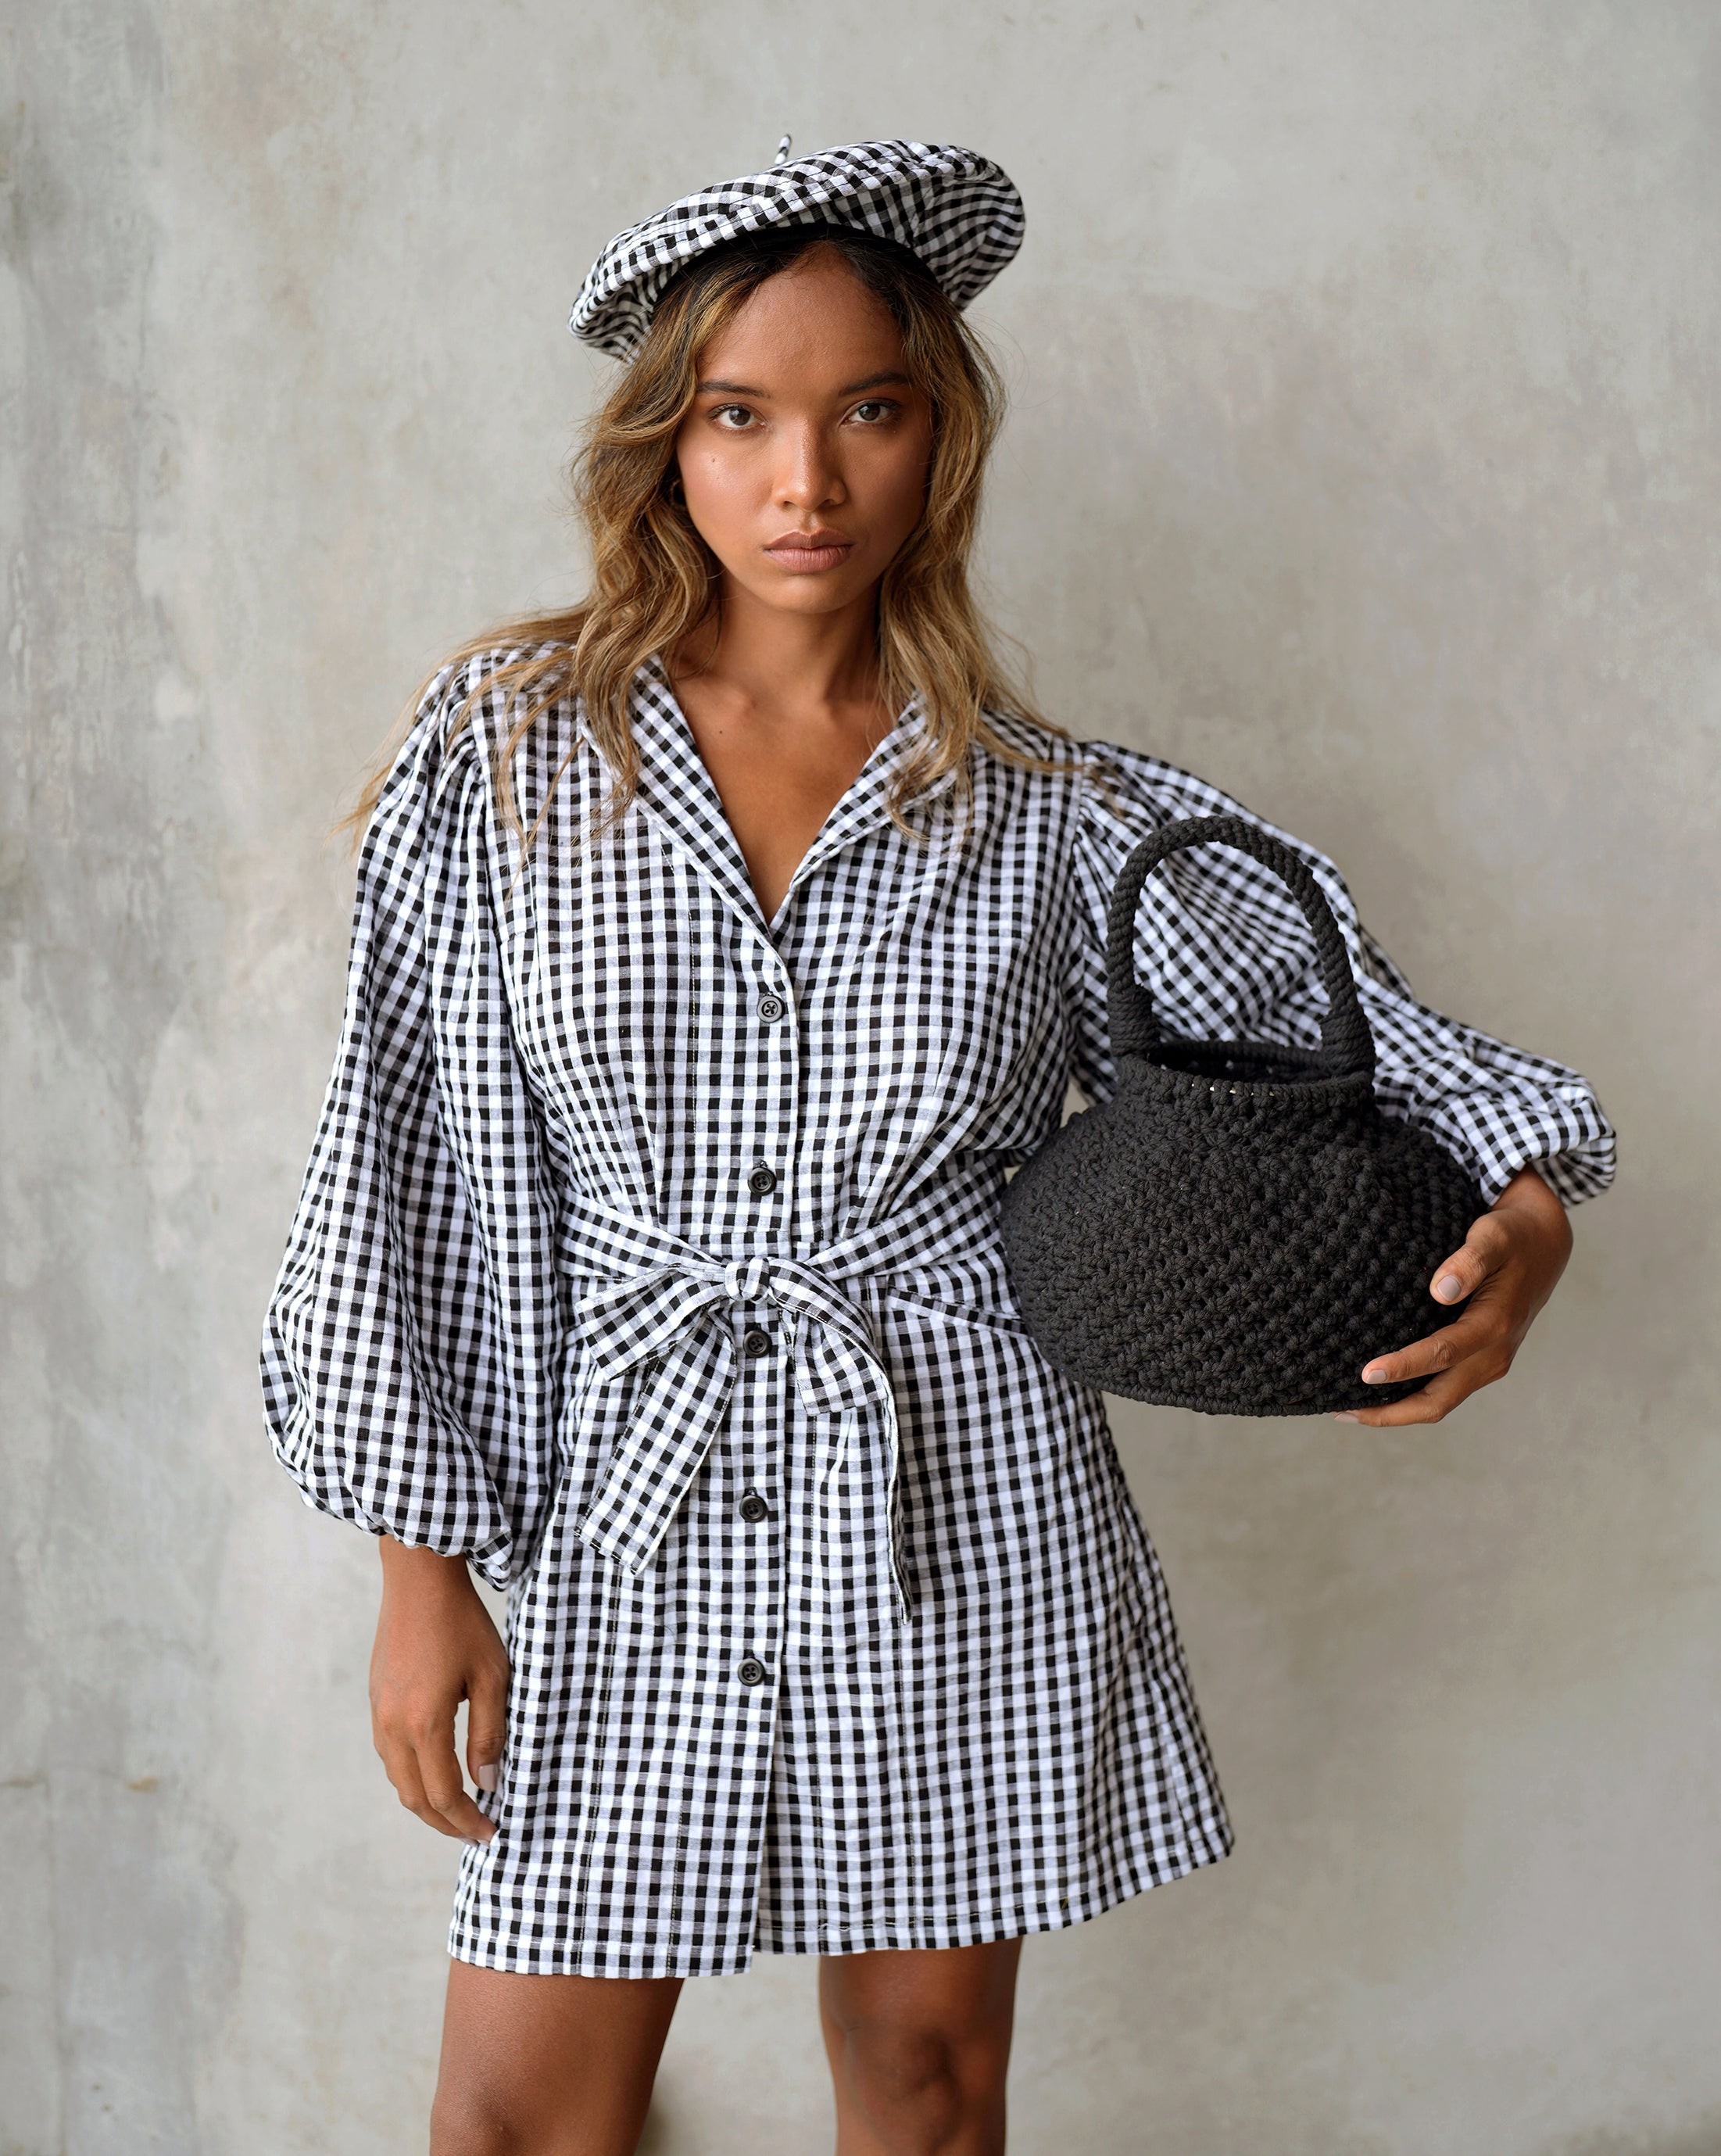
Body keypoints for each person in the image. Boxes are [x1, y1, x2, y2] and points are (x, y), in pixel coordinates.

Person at [259, 140, 1615, 2156]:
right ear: (666, 443)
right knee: (520, 2112)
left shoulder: (1054, 813)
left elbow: (1384, 1052)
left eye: (866, 412)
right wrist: (418, 1563)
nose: (806, 481)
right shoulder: (511, 756)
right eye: (740, 417)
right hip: (630, 1488)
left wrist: (1529, 1216)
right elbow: (412, 1169)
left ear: (939, 443)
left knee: (926, 2088)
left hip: (958, 1491)